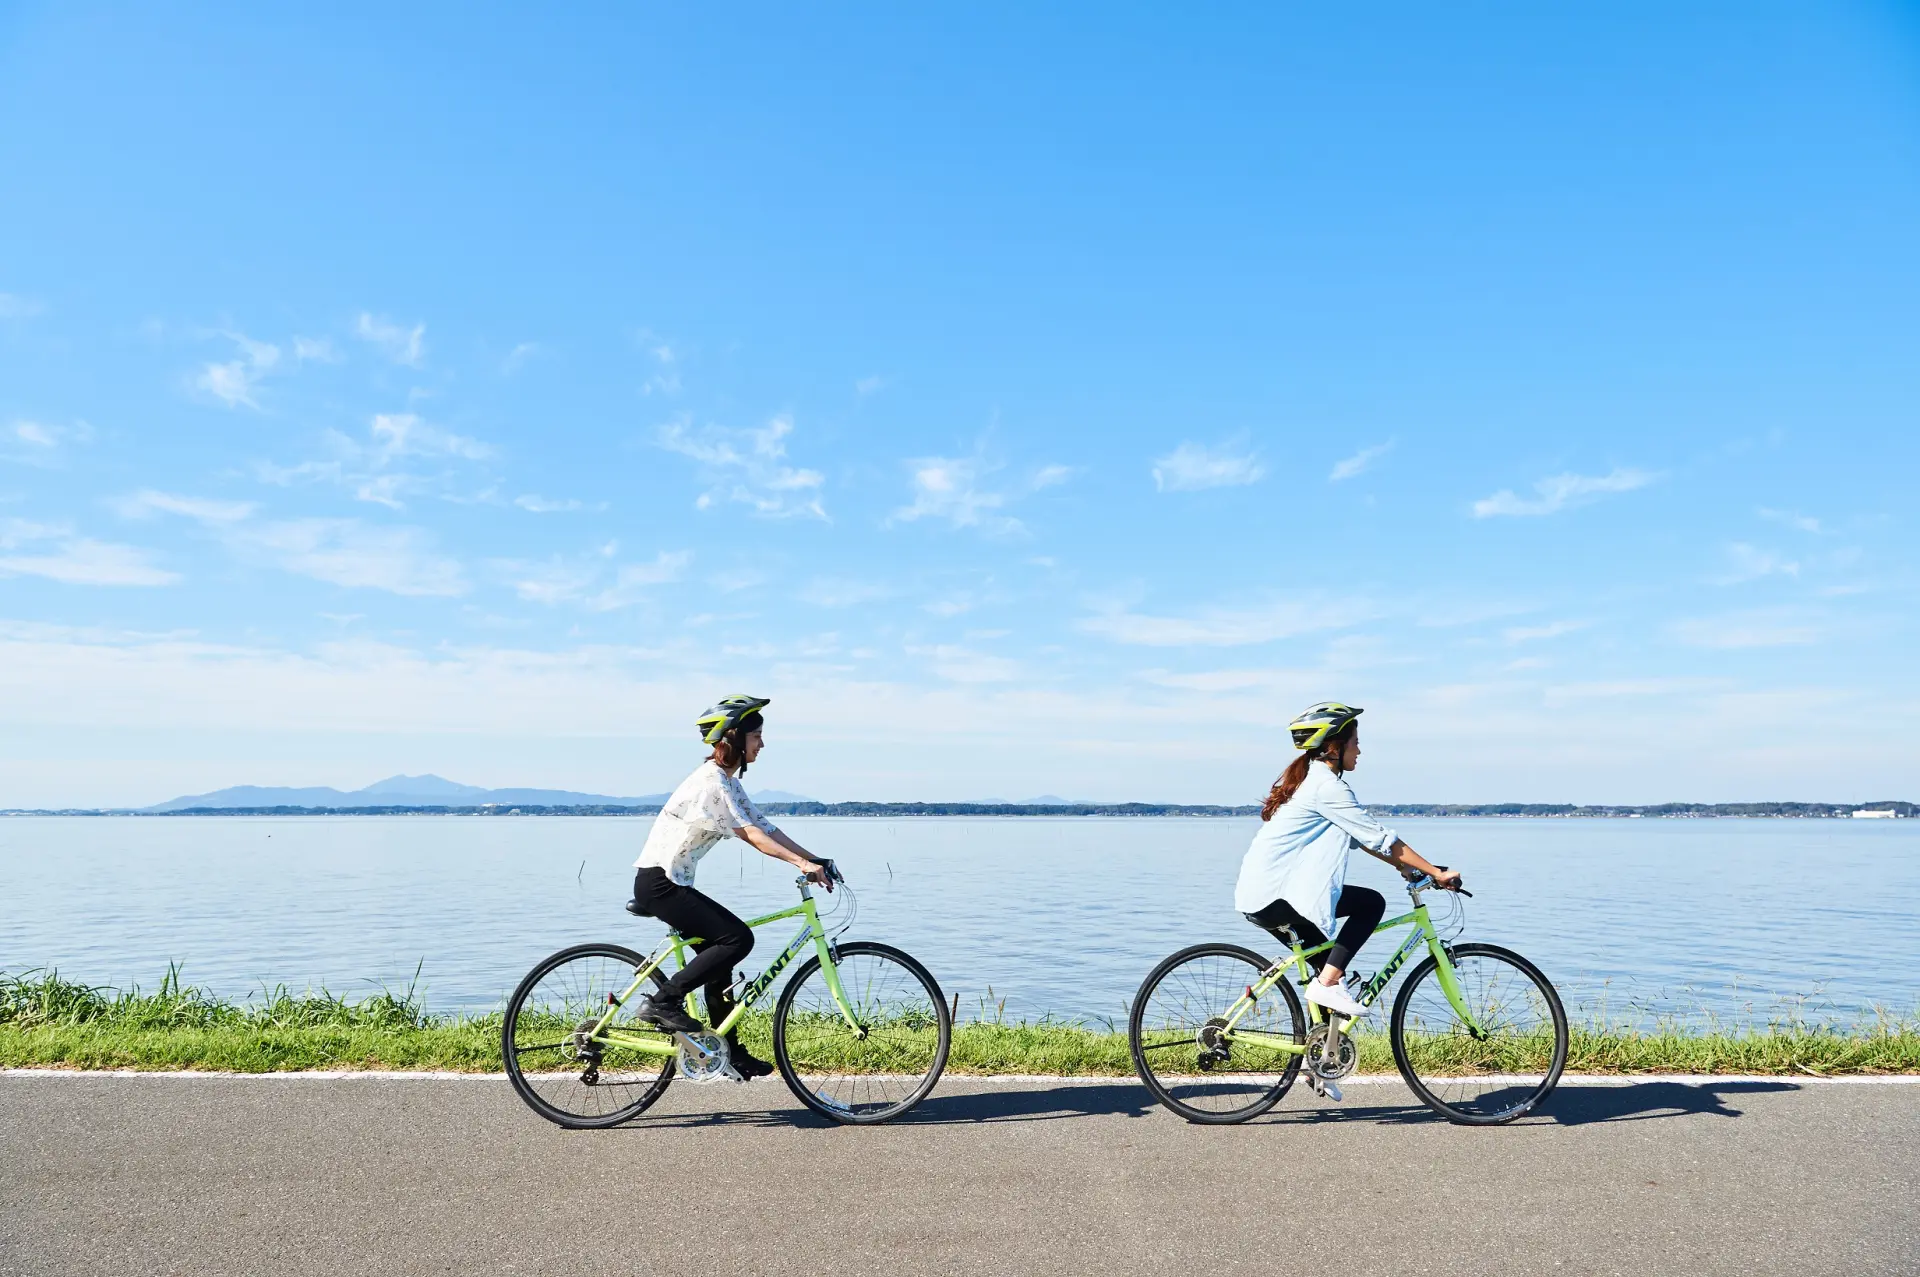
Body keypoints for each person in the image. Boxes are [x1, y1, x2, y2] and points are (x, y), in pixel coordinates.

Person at [629, 695, 834, 1078]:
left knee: (720, 960)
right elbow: (752, 836)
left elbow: (766, 827)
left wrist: (815, 859)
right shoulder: (711, 784)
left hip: (669, 882)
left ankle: (730, 1051)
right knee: (737, 939)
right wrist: (802, 865)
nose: (762, 744)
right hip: (660, 884)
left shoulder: (727, 782)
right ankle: (663, 1002)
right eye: (756, 736)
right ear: (735, 738)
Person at [1234, 702, 1462, 1022]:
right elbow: (1380, 838)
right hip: (1278, 898)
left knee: (1330, 968)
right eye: (1355, 742)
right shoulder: (1328, 788)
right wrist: (1435, 872)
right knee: (1370, 904)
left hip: (1264, 895)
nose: (1359, 750)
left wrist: (1406, 867)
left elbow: (1362, 839)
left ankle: (1322, 1050)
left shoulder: (1312, 783)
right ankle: (1327, 985)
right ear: (1334, 747)